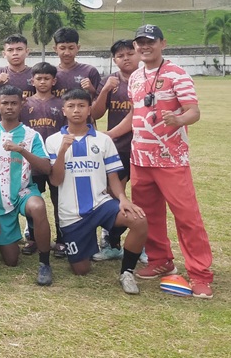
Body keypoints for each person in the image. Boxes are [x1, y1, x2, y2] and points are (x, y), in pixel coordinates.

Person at [107, 24, 214, 298]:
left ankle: (200, 274)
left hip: (171, 158)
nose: (145, 47)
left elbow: (193, 111)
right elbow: (135, 114)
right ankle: (160, 260)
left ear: (162, 44)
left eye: (150, 42)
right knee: (148, 215)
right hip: (140, 158)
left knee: (187, 217)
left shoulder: (177, 74)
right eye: (140, 42)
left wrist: (178, 119)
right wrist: (110, 135)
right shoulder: (135, 77)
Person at [45, 89, 148, 295]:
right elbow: (55, 181)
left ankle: (127, 272)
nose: (76, 110)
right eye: (71, 106)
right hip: (71, 214)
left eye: (81, 106)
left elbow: (113, 177)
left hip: (101, 204)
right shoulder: (53, 141)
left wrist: (122, 199)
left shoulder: (103, 140)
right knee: (81, 270)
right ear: (63, 110)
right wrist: (63, 151)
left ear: (89, 109)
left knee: (139, 220)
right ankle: (88, 243)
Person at [0, 85, 54, 286]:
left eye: (14, 103)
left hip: (23, 192)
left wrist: (21, 150)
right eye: (5, 103)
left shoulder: (31, 135)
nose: (9, 107)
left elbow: (46, 168)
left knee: (38, 207)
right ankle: (9, 237)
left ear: (22, 104)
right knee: (11, 261)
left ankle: (45, 263)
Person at [91, 39, 140, 261]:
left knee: (143, 196)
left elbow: (136, 115)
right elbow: (96, 113)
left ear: (138, 54)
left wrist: (110, 134)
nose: (126, 58)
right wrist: (105, 90)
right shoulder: (110, 81)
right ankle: (111, 240)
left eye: (130, 53)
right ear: (114, 59)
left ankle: (142, 243)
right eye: (120, 56)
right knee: (114, 193)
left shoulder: (145, 79)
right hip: (118, 149)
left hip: (142, 146)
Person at [19, 61, 66, 257]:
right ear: (32, 81)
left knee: (59, 201)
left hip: (56, 161)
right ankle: (33, 238)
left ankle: (62, 240)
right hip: (33, 161)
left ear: (54, 81)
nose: (43, 82)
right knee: (33, 200)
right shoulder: (24, 105)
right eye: (39, 78)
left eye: (47, 78)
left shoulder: (61, 104)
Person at [52, 27, 101, 99]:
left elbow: (101, 100)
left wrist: (91, 90)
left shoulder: (90, 71)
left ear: (78, 48)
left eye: (71, 48)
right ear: (55, 49)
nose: (67, 53)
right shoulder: (50, 74)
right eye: (62, 48)